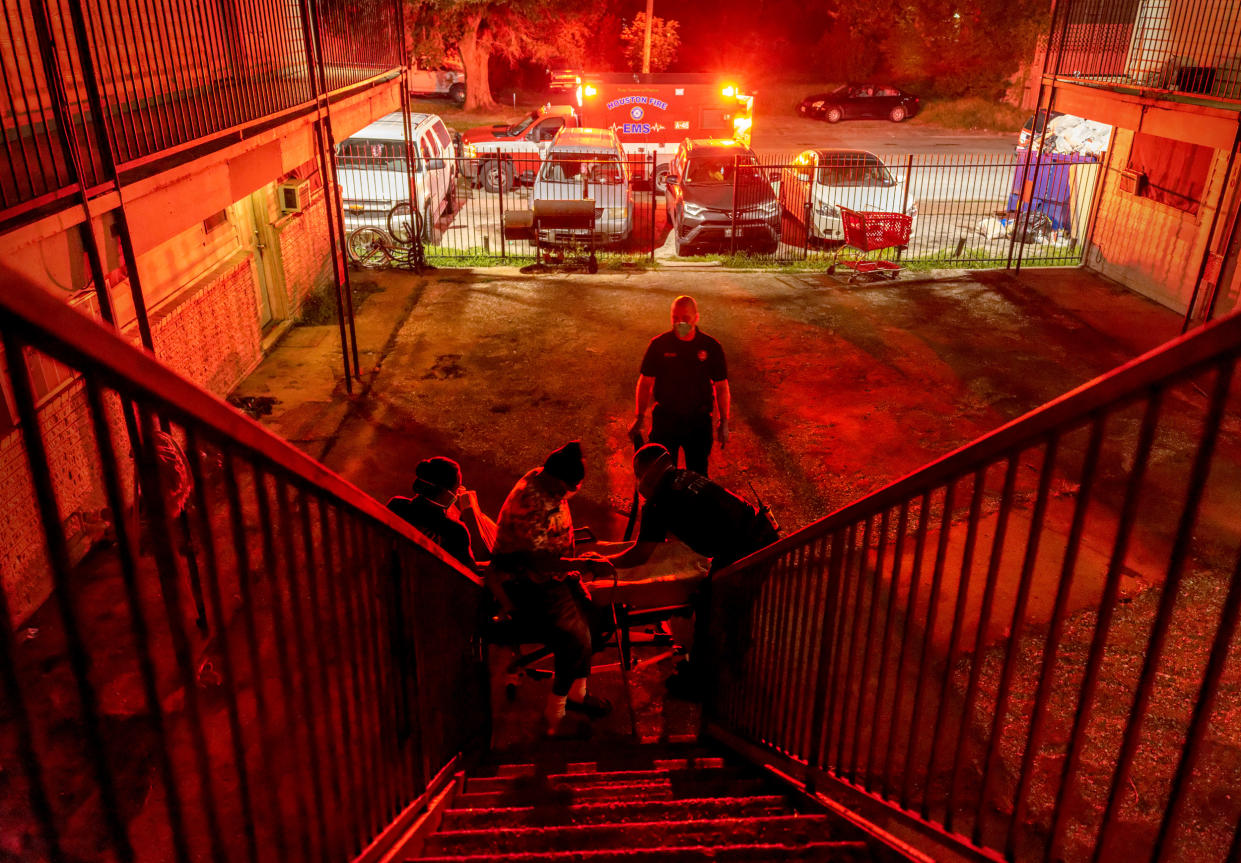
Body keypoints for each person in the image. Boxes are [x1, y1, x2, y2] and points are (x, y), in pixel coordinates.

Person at [607, 443, 779, 695]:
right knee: (736, 606)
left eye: (637, 473)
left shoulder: (658, 502)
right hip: (761, 533)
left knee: (712, 607)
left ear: (645, 474)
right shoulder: (685, 476)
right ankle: (734, 662)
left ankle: (701, 682)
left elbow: (641, 554)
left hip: (743, 547)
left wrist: (605, 564)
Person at [489, 441, 616, 736]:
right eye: (566, 488)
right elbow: (536, 561)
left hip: (557, 576)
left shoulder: (547, 483)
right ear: (553, 479)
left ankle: (577, 694)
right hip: (528, 583)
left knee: (598, 620)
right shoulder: (530, 502)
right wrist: (581, 565)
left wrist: (577, 565)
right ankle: (556, 708)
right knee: (575, 639)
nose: (568, 493)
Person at [629, 295, 730, 476]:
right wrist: (639, 416)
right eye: (675, 318)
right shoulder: (659, 345)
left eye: (685, 318)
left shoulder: (710, 347)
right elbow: (644, 383)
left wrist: (724, 422)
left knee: (697, 477)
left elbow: (721, 387)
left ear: (696, 318)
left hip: (698, 422)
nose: (679, 323)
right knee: (661, 476)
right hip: (666, 420)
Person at [387, 457, 476, 571]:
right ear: (446, 493)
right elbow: (470, 572)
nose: (457, 495)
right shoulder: (455, 531)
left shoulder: (396, 505)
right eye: (457, 489)